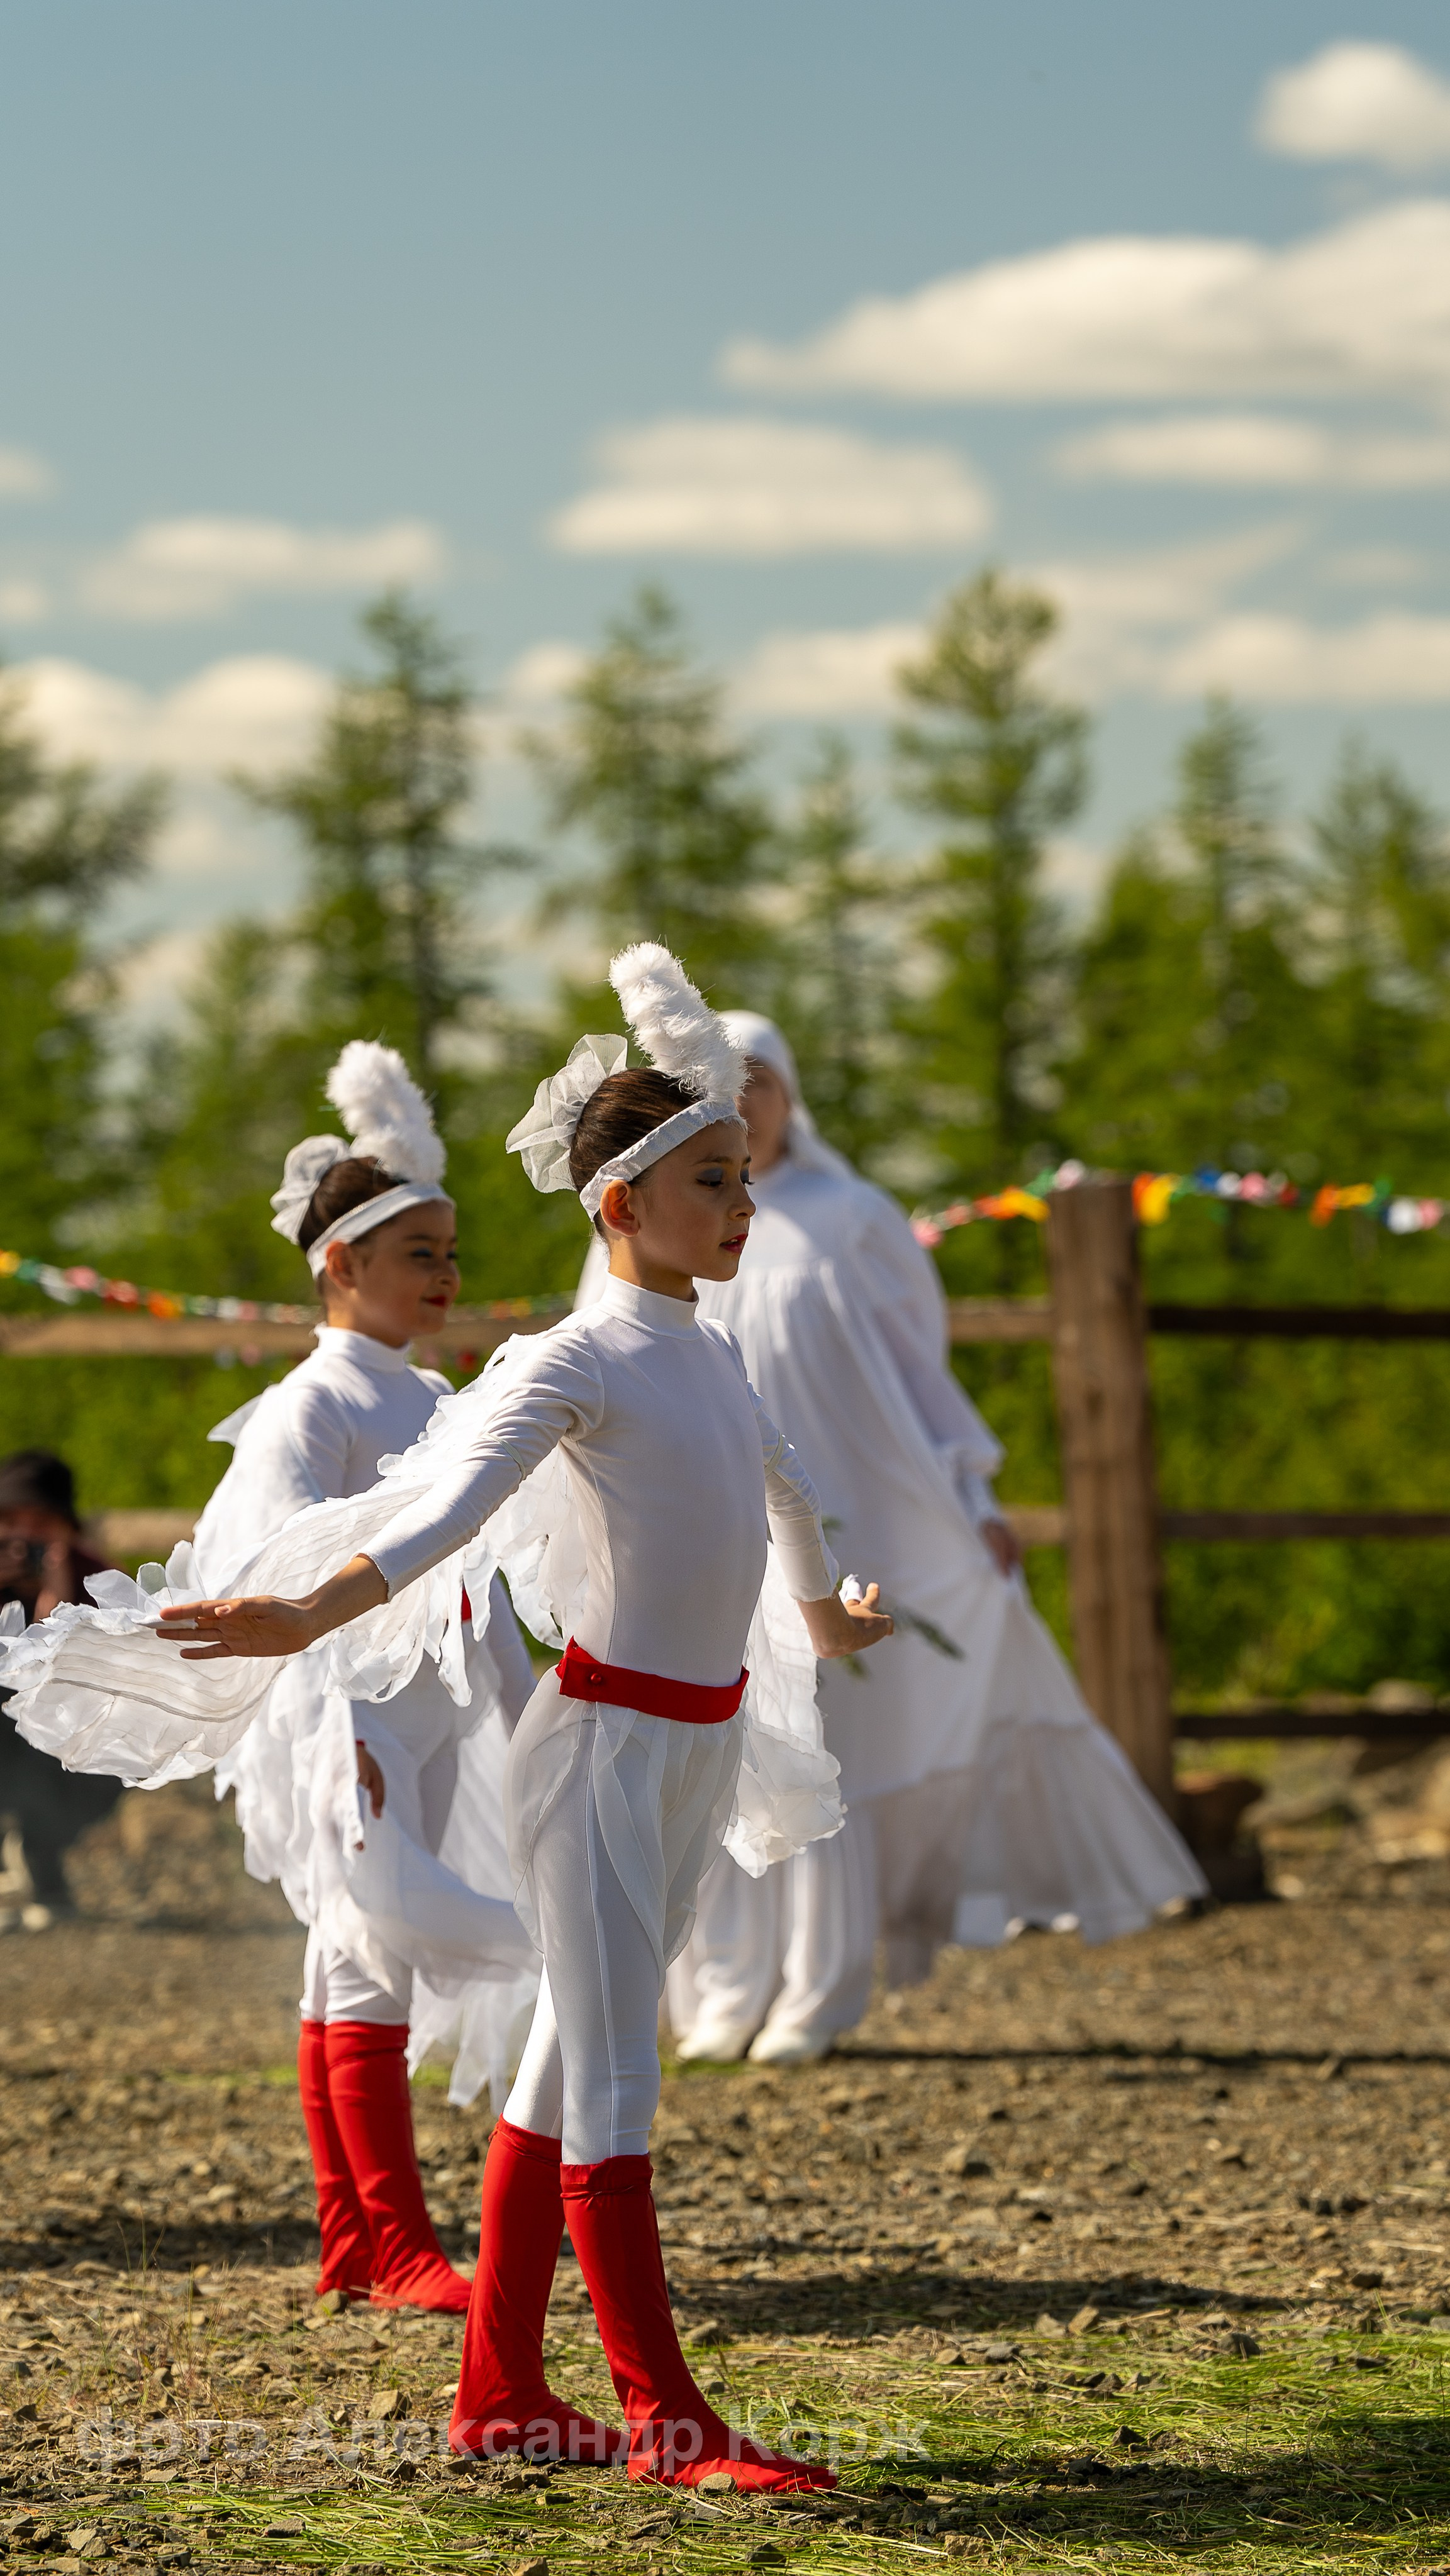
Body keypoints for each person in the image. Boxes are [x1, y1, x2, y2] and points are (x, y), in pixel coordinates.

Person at [121, 947, 893, 2488]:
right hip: (600, 1753)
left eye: (748, 1177)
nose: (744, 1208)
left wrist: (823, 1621)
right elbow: (437, 1517)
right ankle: (665, 2417)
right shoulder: (573, 1359)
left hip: (700, 1741)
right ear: (619, 1204)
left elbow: (780, 1494)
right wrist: (294, 1616)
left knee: (562, 2072)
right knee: (615, 2079)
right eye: (714, 1183)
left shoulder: (711, 1351)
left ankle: (497, 2395)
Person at [4, 1045, 540, 2313]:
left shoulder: (425, 1392)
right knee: (367, 1955)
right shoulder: (312, 1407)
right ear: (341, 1265)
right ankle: (397, 2240)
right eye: (421, 1253)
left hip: (423, 1714)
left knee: (342, 1964)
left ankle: (352, 2237)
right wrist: (328, 1732)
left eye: (452, 1252)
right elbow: (267, 1576)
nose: (448, 1277)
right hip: (350, 1722)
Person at [611, 1014, 1205, 2068]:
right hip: (703, 1520)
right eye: (725, 1086)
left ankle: (818, 1988)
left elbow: (916, 1370)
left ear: (792, 1093)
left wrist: (969, 1494)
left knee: (811, 1737)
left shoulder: (854, 1217)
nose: (748, 1104)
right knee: (712, 1742)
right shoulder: (654, 1222)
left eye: (764, 1084)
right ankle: (717, 1987)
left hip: (840, 1518)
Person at [0, 1450, 123, 1929]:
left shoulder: (97, 1576)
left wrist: (58, 1596)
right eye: (12, 1520)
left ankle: (39, 1858)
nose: (24, 1536)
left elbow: (79, 1678)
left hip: (62, 1744)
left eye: (41, 1522)